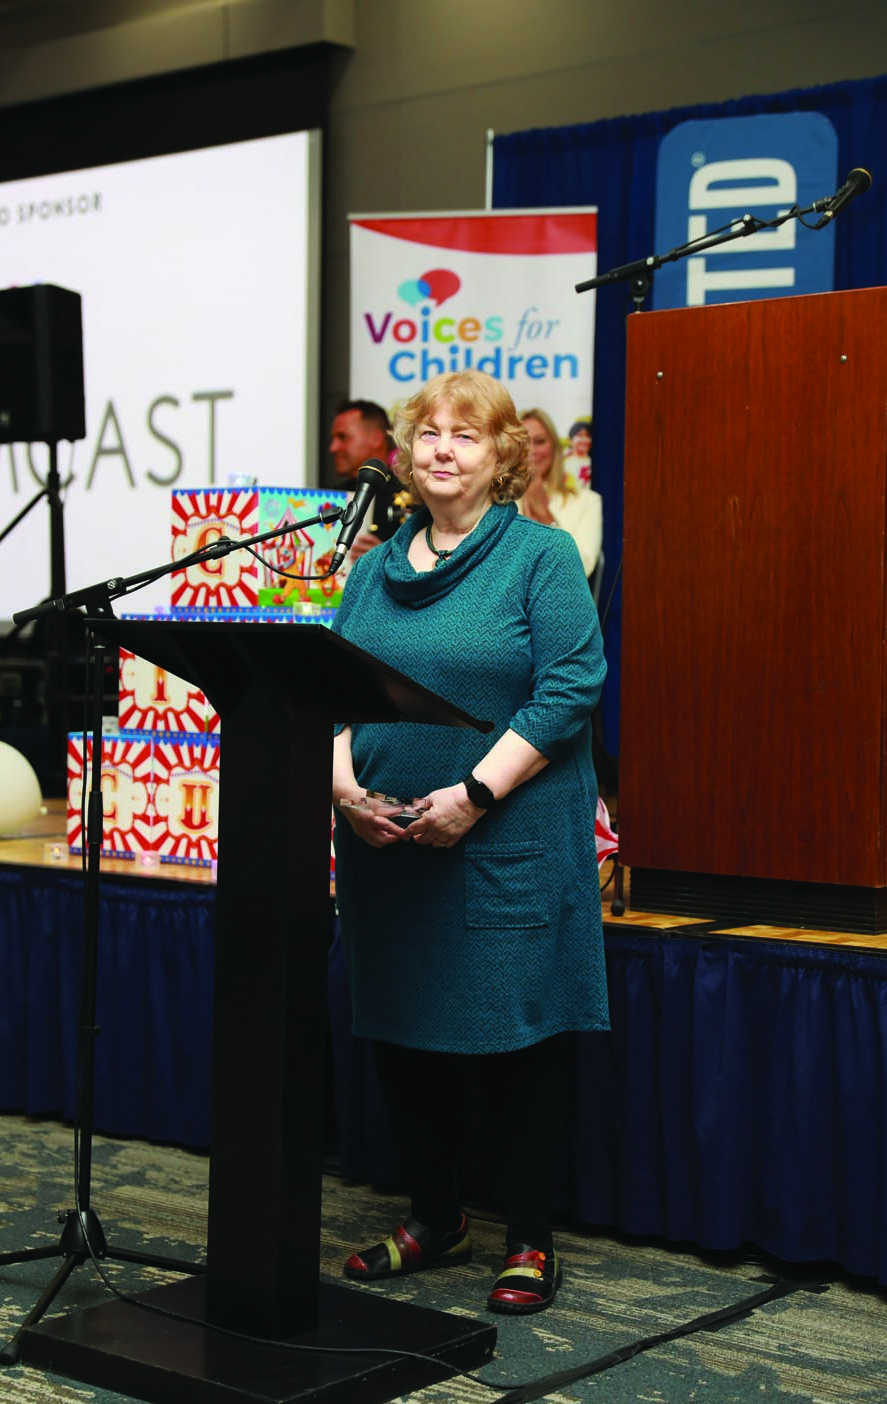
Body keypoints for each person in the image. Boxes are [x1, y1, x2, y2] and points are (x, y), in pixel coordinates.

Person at [331, 370, 608, 1315]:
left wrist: (475, 794)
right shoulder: (372, 568)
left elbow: (571, 687)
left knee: (519, 1037)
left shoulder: (539, 555)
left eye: (466, 434)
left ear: (502, 458)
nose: (443, 448)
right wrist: (344, 791)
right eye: (428, 433)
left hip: (504, 842)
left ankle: (530, 1239)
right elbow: (329, 690)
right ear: (405, 456)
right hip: (388, 845)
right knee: (405, 1032)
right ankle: (433, 1218)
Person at [519, 407, 602, 579]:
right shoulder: (497, 501)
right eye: (523, 442)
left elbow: (583, 567)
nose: (531, 450)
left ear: (555, 448)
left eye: (540, 442)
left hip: (561, 592)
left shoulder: (587, 501)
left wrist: (544, 515)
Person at [328, 398, 404, 560]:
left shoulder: (411, 499)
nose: (333, 447)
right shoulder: (330, 495)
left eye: (343, 437)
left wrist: (385, 559)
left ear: (376, 439)